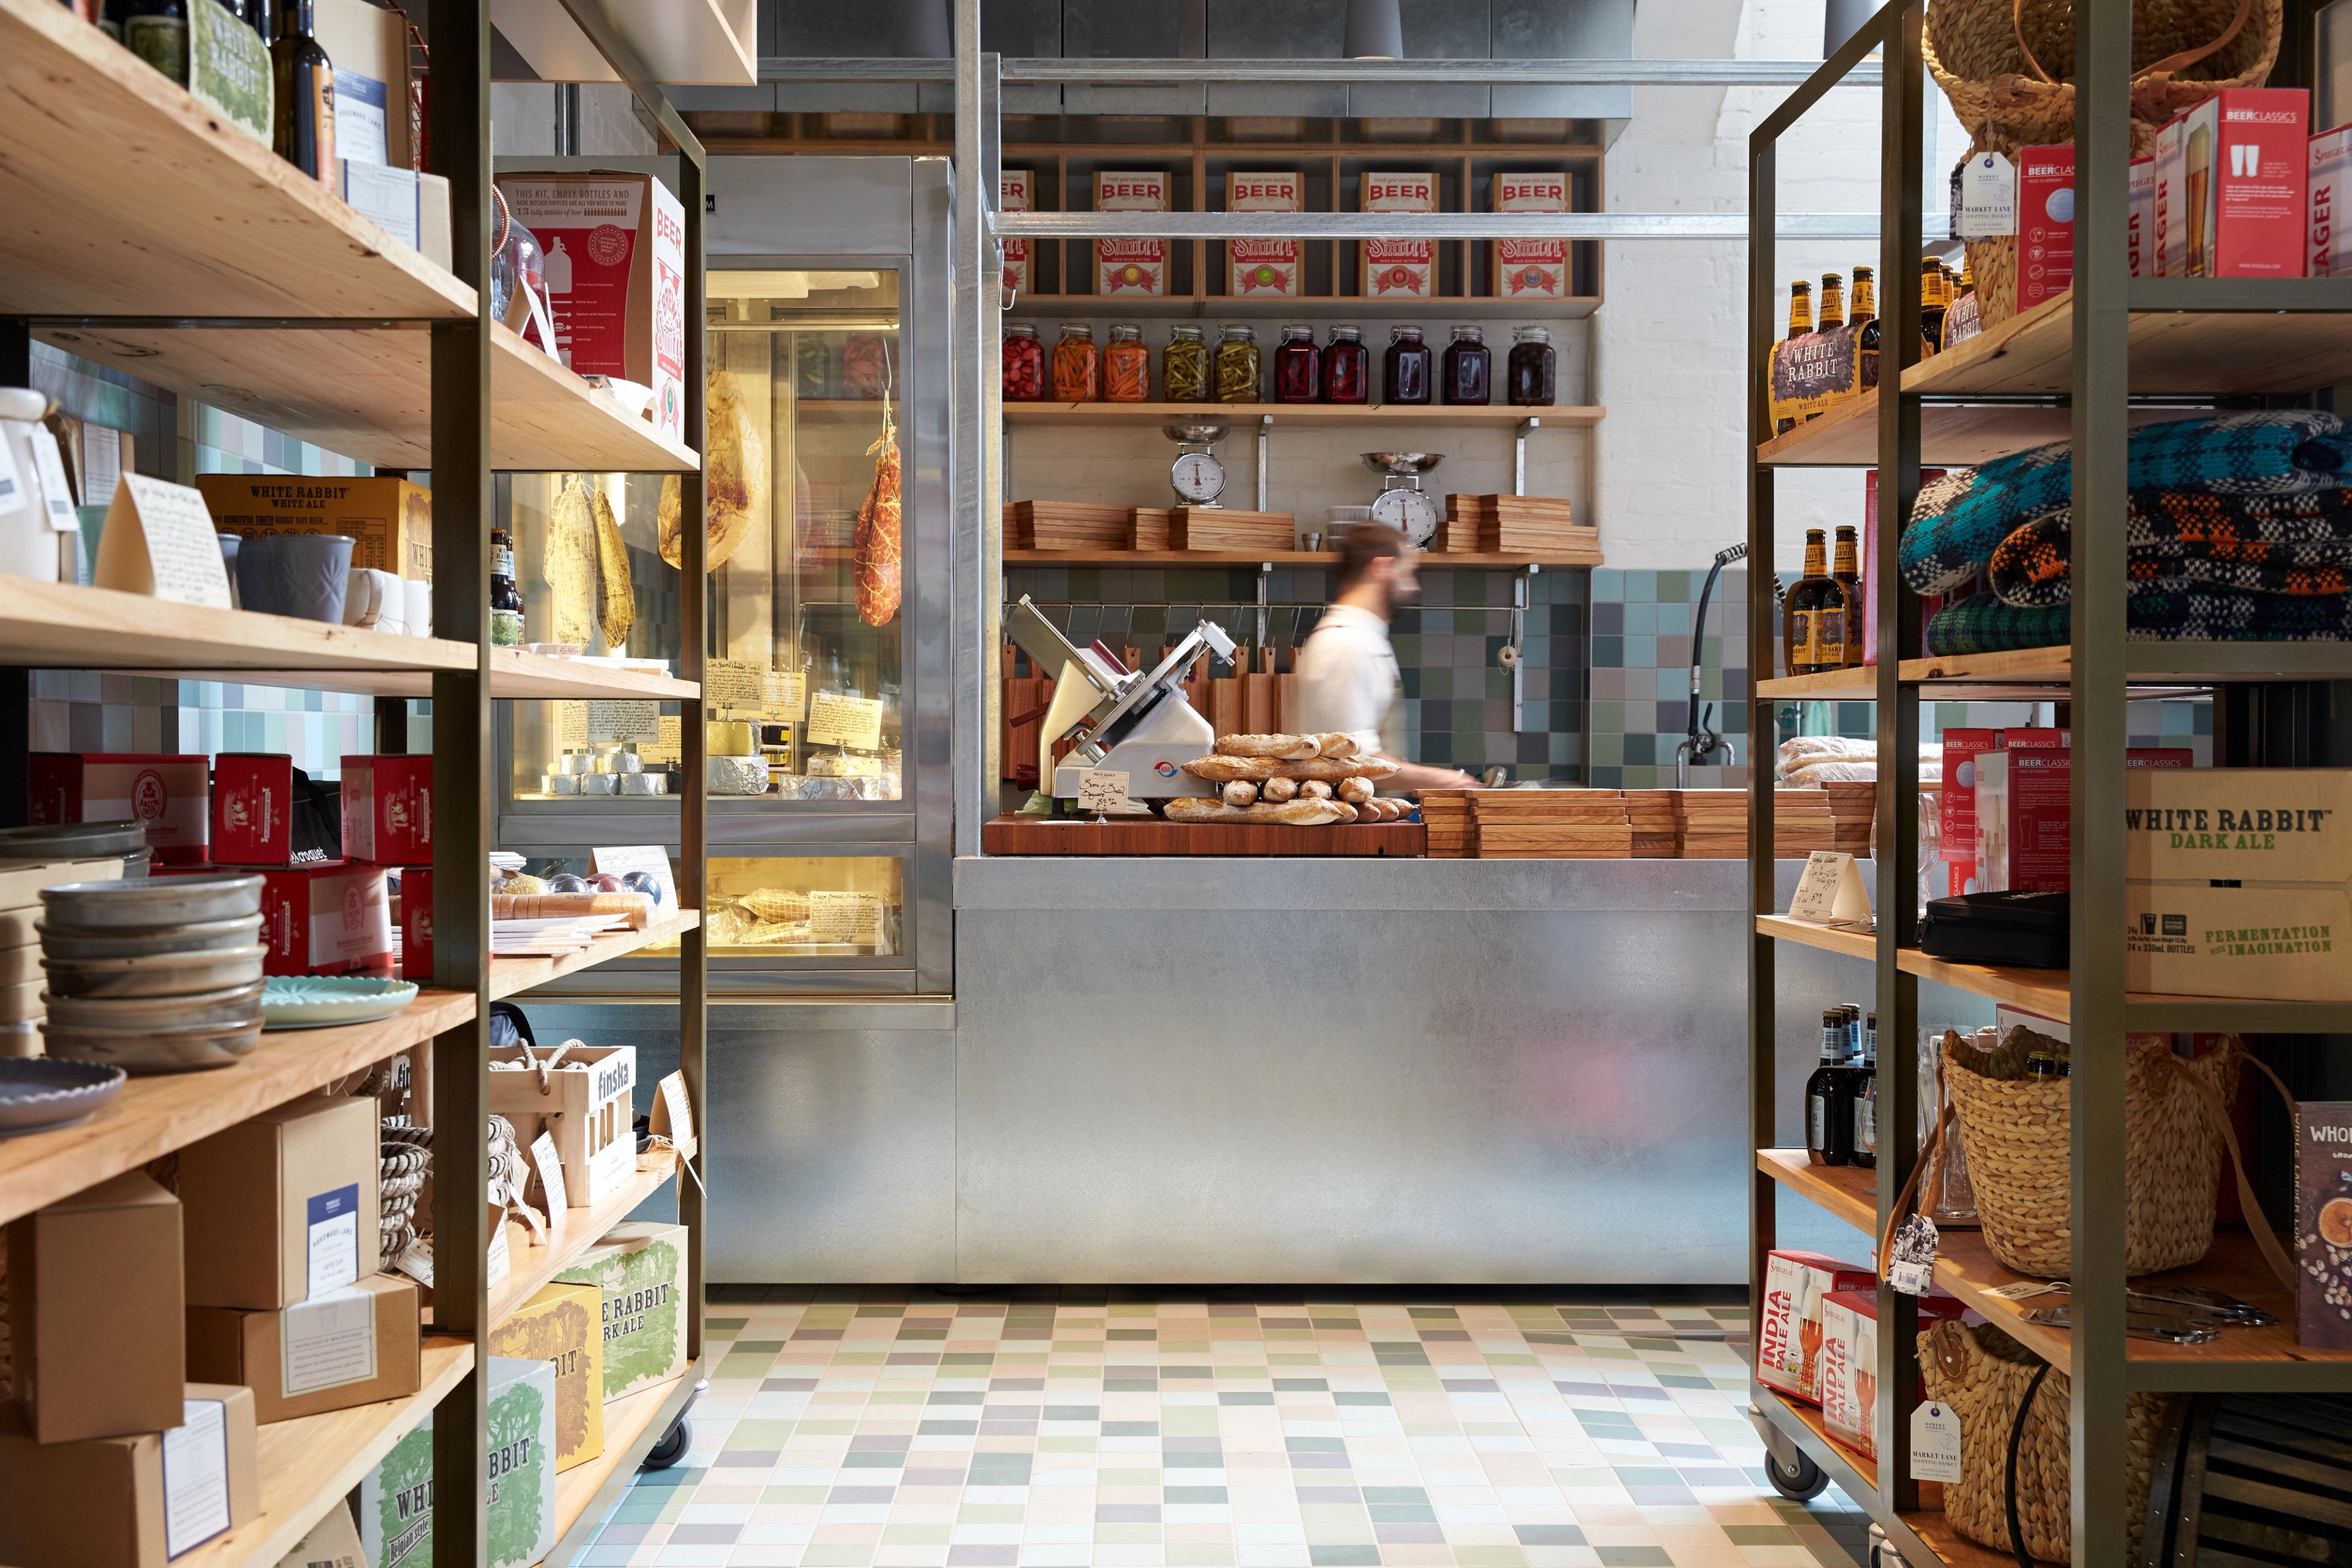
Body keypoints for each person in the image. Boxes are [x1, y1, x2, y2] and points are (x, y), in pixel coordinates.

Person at [1291, 524, 1479, 793]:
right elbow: (1352, 760)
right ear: (1381, 568)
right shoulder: (1346, 644)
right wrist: (1445, 780)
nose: (1413, 587)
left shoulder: (1365, 638)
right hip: (1350, 828)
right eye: (1407, 574)